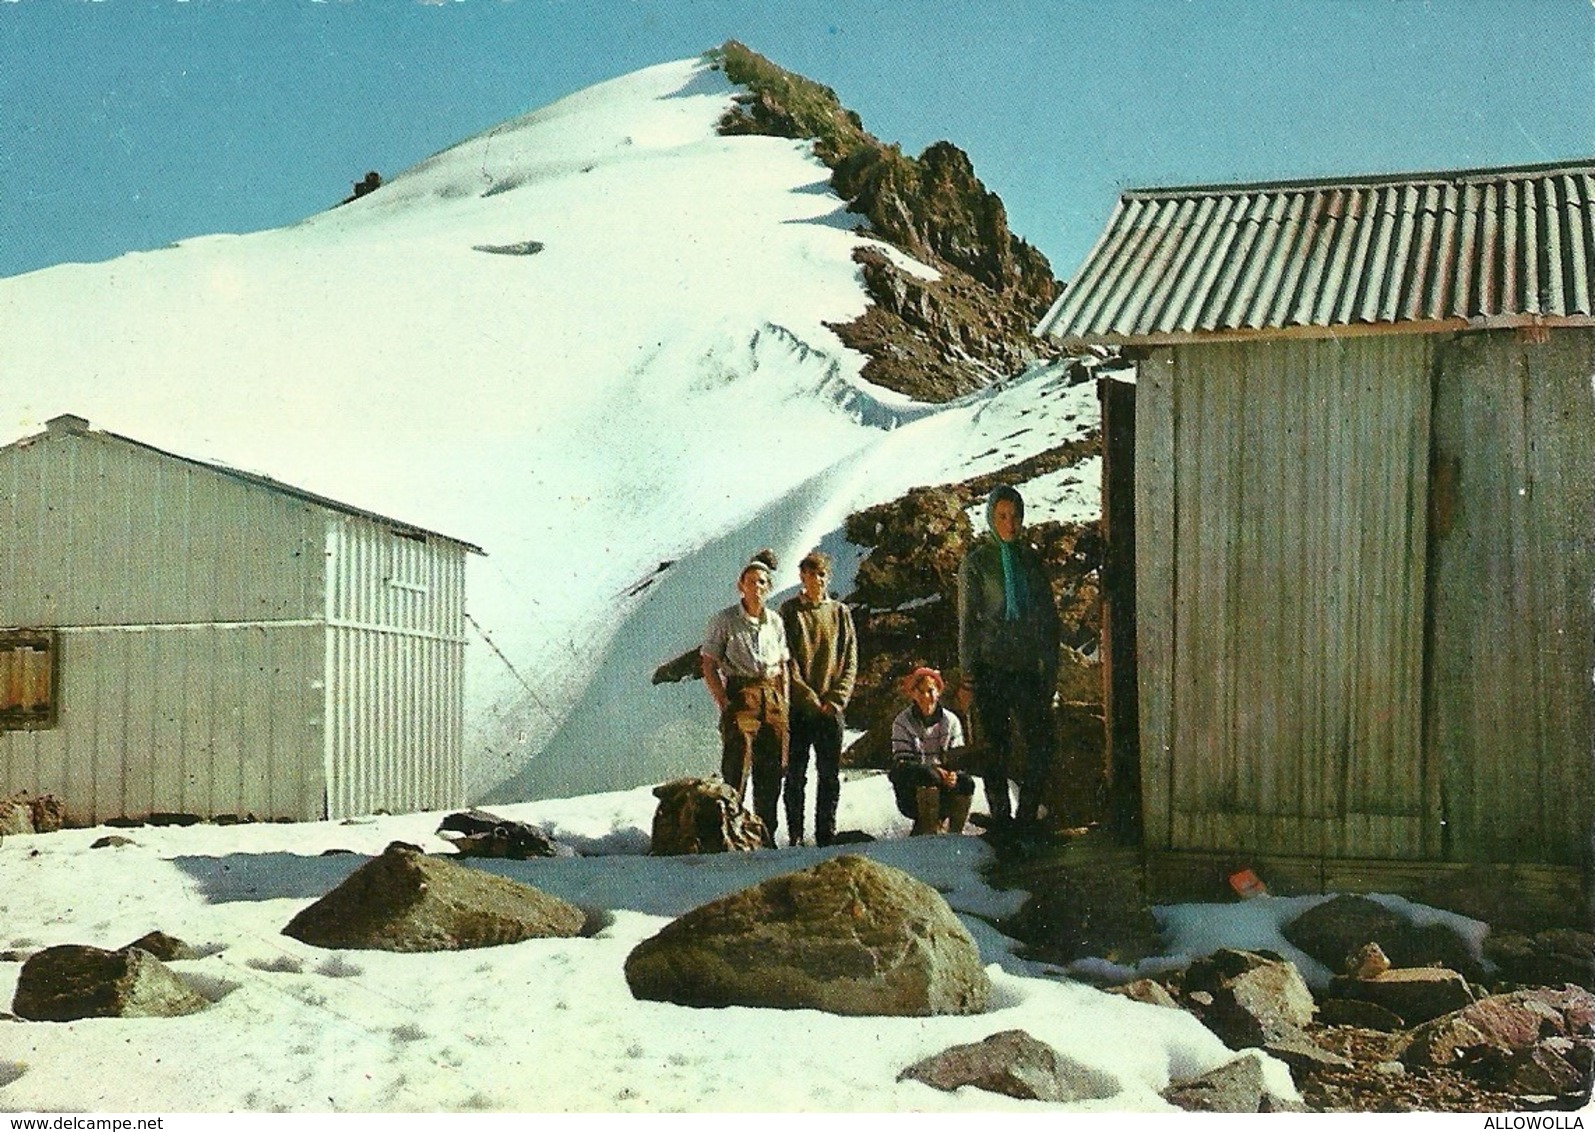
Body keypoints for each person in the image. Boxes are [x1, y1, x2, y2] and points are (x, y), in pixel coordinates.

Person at [957, 485, 1061, 828]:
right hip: (991, 669)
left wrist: (1050, 670)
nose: (1010, 524)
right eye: (1002, 516)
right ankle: (1001, 818)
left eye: (1015, 515)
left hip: (1028, 669)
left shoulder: (1030, 561)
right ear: (991, 518)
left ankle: (1027, 817)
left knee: (1040, 746)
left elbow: (1048, 618)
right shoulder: (977, 563)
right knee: (995, 749)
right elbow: (968, 622)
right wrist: (968, 674)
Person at [700, 549, 790, 846]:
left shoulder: (775, 622)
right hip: (741, 694)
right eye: (751, 581)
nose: (757, 587)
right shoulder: (724, 620)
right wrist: (724, 703)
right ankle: (732, 834)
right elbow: (708, 664)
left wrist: (784, 702)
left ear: (769, 587)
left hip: (772, 695)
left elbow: (783, 665)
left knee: (772, 766)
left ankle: (766, 834)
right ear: (741, 585)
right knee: (737, 766)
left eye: (763, 582)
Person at [779, 549, 858, 847]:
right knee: (796, 774)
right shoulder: (789, 612)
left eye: (822, 574)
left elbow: (850, 659)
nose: (817, 580)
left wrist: (836, 699)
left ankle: (826, 833)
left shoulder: (840, 613)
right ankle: (796, 835)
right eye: (811, 574)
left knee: (829, 775)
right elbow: (788, 660)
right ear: (801, 576)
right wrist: (806, 696)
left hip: (831, 709)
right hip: (801, 709)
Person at [889, 667, 975, 836]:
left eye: (930, 691)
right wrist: (934, 771)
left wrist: (954, 775)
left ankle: (955, 835)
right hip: (914, 786)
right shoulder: (901, 722)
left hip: (944, 782)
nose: (926, 697)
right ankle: (928, 833)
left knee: (966, 782)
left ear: (938, 692)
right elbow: (903, 761)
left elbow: (958, 757)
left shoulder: (951, 721)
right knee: (928, 775)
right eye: (920, 692)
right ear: (913, 694)